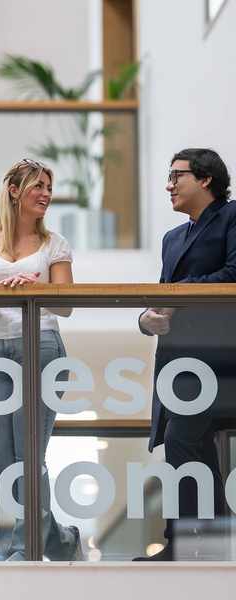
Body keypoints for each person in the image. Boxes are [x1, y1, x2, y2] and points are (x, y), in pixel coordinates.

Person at [0, 158, 82, 561]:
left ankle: (24, 546)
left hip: (42, 345)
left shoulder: (55, 245)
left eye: (49, 187)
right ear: (14, 191)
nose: (46, 194)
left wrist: (33, 286)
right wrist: (4, 291)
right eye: (38, 186)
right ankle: (60, 540)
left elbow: (66, 307)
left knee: (28, 454)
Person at [134, 148, 236, 561]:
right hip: (180, 361)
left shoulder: (232, 217)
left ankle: (189, 540)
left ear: (206, 179)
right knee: (188, 447)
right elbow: (161, 298)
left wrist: (182, 298)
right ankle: (215, 534)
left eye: (177, 176)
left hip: (221, 358)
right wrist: (147, 319)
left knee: (182, 441)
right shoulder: (172, 238)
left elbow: (233, 273)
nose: (169, 185)